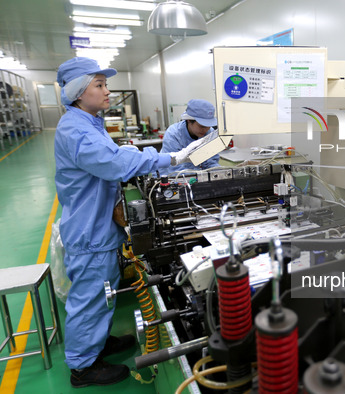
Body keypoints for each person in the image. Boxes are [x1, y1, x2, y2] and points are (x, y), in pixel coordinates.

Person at [54, 57, 201, 387]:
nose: (107, 91)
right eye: (99, 85)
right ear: (79, 91)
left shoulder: (90, 122)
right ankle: (82, 366)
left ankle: (98, 342)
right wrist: (172, 157)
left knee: (103, 291)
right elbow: (115, 163)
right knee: (90, 297)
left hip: (99, 225)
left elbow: (115, 158)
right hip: (88, 228)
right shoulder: (76, 129)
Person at [160, 99, 220, 174]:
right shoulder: (173, 134)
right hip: (171, 177)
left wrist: (219, 172)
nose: (205, 130)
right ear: (189, 120)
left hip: (195, 176)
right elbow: (175, 169)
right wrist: (200, 177)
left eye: (208, 125)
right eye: (201, 126)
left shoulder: (209, 132)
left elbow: (210, 163)